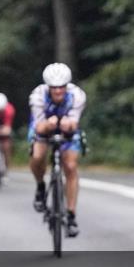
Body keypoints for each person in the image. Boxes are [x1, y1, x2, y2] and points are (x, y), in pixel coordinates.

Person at [28, 63, 86, 237]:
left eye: (61, 87)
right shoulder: (37, 96)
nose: (58, 91)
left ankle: (71, 215)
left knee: (70, 166)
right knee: (38, 156)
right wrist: (48, 125)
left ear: (67, 85)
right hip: (43, 126)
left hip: (67, 128)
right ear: (48, 86)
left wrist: (68, 125)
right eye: (54, 88)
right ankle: (40, 186)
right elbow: (39, 127)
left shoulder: (77, 95)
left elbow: (73, 123)